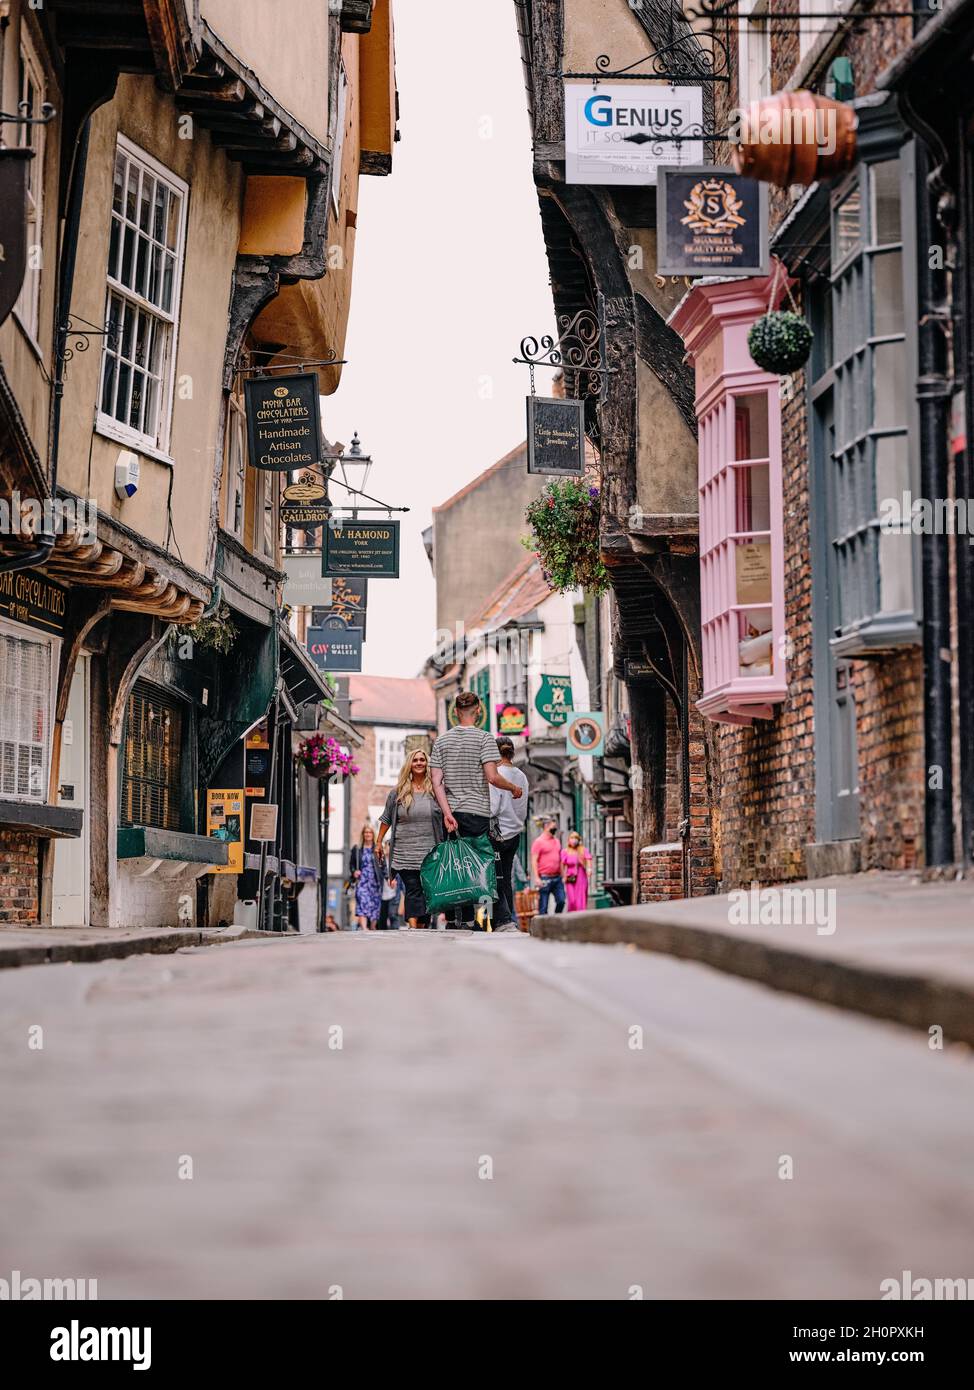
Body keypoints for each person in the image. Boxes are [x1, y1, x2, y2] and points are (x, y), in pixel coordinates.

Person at [429, 692, 523, 925]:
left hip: (452, 814)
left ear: (455, 712)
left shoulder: (441, 741)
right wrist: (513, 787)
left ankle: (462, 919)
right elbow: (492, 777)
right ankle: (488, 920)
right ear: (478, 710)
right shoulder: (485, 738)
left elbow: (436, 782)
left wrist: (447, 813)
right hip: (478, 812)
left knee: (458, 864)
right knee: (483, 866)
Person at [376, 747, 444, 929]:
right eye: (415, 760)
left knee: (427, 889)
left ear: (427, 764)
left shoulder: (436, 791)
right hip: (404, 851)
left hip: (430, 851)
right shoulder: (398, 792)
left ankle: (422, 926)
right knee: (413, 887)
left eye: (422, 760)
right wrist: (379, 842)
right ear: (409, 765)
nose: (419, 763)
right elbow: (386, 819)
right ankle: (413, 926)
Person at [489, 736, 529, 931]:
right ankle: (506, 918)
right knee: (506, 877)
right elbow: (522, 809)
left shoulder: (495, 775)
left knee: (495, 878)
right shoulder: (522, 776)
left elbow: (493, 807)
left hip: (496, 834)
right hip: (514, 834)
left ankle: (500, 920)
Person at [349, 824, 381, 930]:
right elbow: (351, 864)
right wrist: (354, 872)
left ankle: (372, 926)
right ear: (363, 834)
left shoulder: (377, 849)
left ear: (373, 834)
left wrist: (388, 878)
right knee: (362, 902)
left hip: (374, 881)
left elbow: (383, 866)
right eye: (366, 832)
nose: (368, 834)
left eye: (370, 832)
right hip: (362, 881)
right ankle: (364, 928)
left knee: (374, 904)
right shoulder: (357, 849)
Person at [531, 819, 565, 915]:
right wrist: (537, 878)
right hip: (544, 878)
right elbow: (534, 861)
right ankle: (543, 924)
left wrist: (563, 875)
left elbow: (560, 859)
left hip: (557, 877)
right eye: (553, 827)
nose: (555, 829)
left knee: (561, 901)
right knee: (543, 906)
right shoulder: (538, 842)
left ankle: (556, 920)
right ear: (546, 827)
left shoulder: (557, 841)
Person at [561, 830, 592, 913]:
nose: (573, 840)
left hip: (581, 876)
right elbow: (562, 864)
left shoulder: (583, 850)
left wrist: (589, 869)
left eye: (575, 838)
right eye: (571, 838)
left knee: (580, 899)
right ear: (568, 840)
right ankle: (572, 916)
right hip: (570, 877)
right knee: (572, 900)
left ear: (578, 840)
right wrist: (563, 876)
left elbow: (588, 859)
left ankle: (581, 916)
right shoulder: (565, 851)